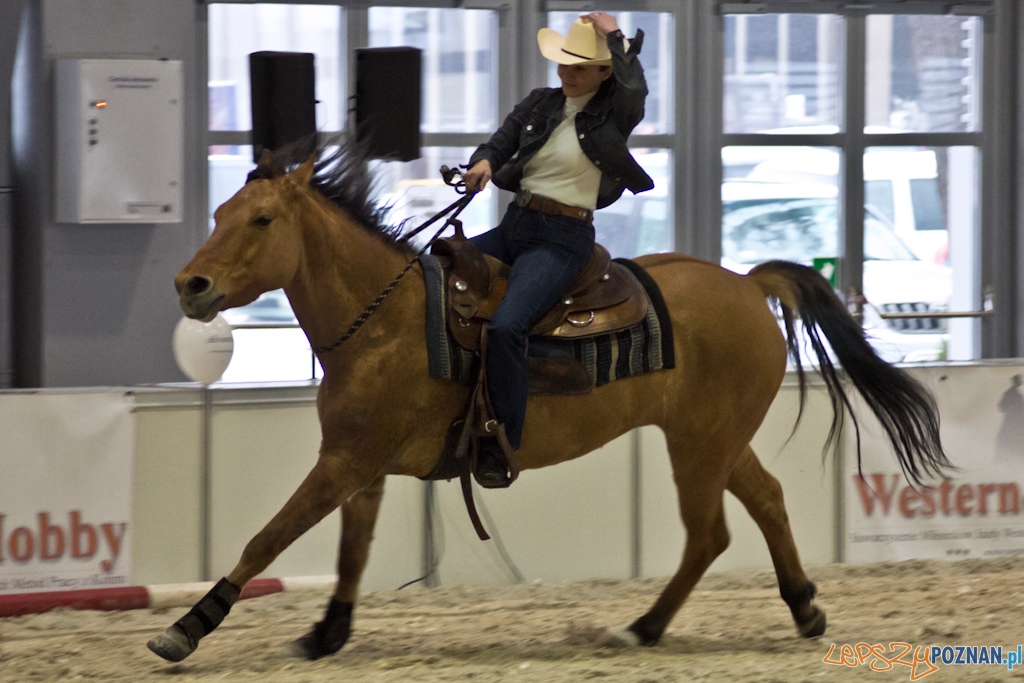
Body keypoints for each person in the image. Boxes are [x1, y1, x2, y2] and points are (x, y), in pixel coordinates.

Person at [462, 12, 654, 488]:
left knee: (508, 325)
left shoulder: (615, 111)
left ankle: (505, 437)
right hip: (516, 224)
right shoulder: (539, 103)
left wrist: (614, 36)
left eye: (578, 68)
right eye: (563, 64)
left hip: (561, 237)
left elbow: (635, 89)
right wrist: (483, 162)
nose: (565, 73)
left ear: (604, 71)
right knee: (430, 270)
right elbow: (501, 140)